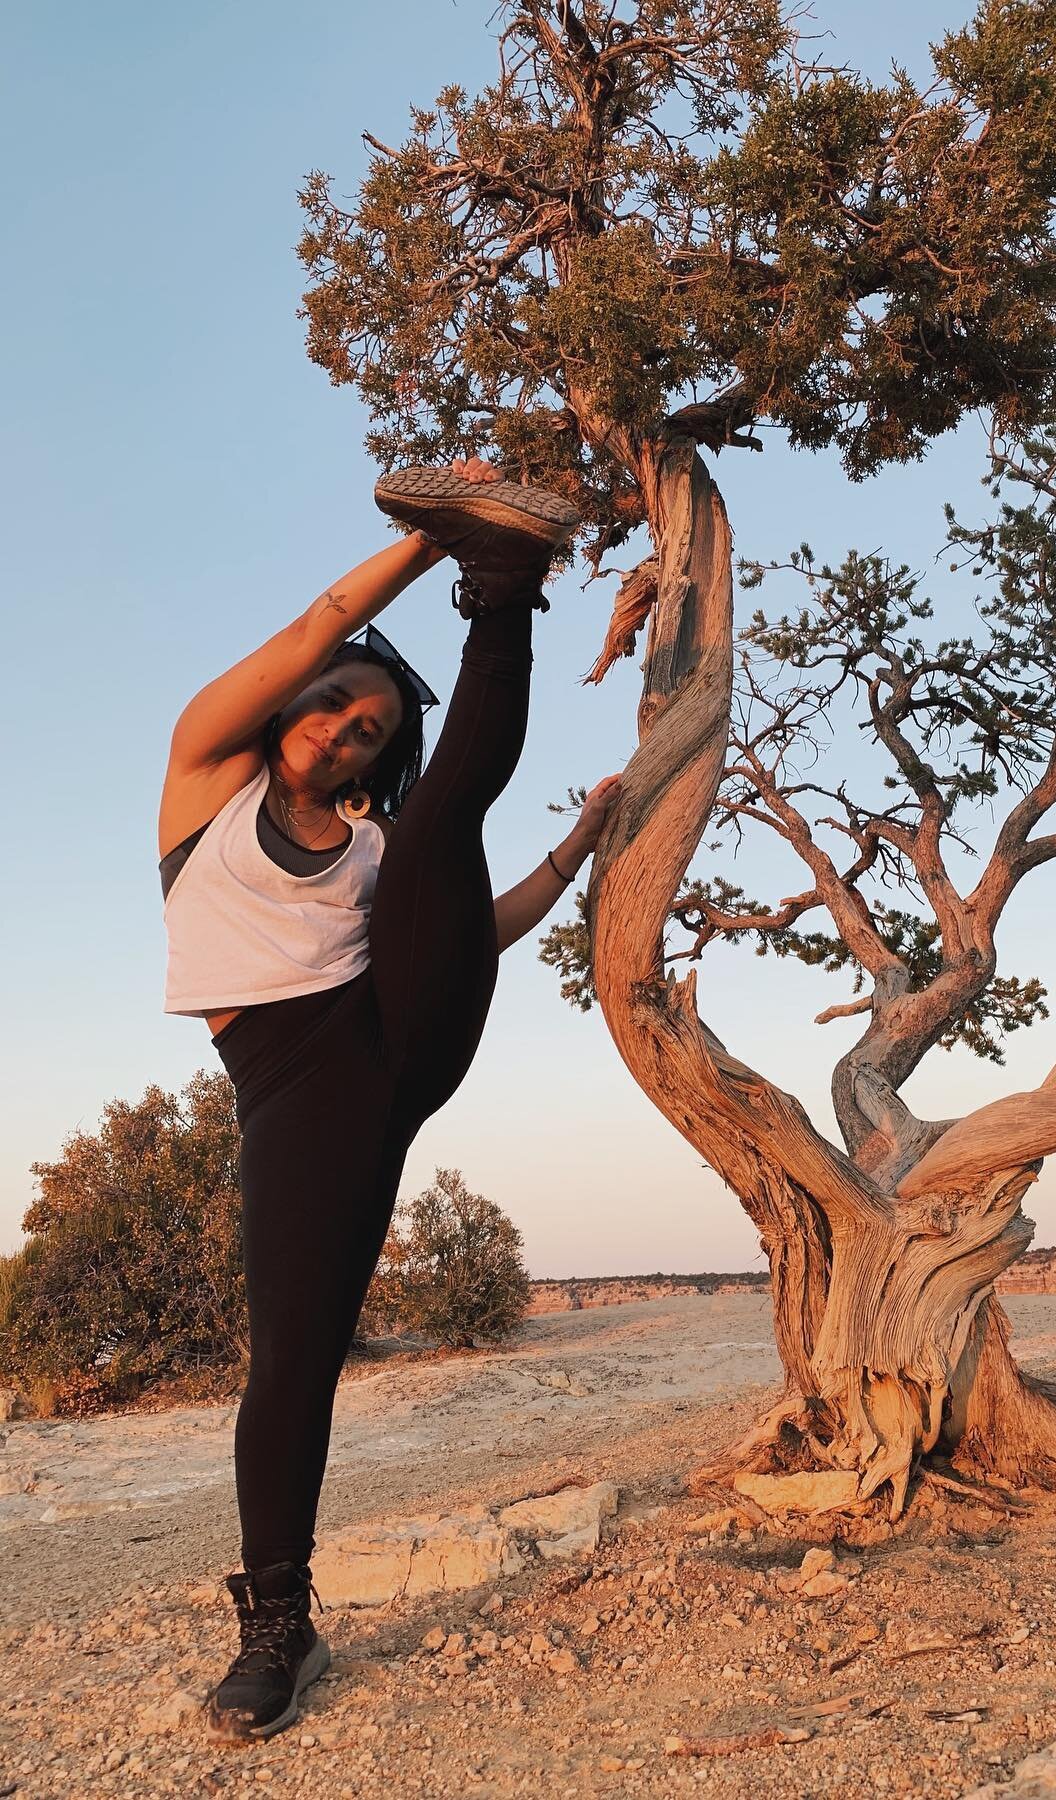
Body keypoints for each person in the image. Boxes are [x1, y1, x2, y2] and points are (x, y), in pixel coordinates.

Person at [158, 460, 619, 1743]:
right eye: (335, 711)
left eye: (370, 729)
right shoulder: (204, 783)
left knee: (431, 834)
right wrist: (423, 539)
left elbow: (472, 928)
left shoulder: (377, 842)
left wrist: (576, 849)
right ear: (287, 713)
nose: (349, 730)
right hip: (293, 1084)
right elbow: (315, 625)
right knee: (293, 1358)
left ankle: (510, 586)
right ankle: (277, 1625)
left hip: (399, 1030)